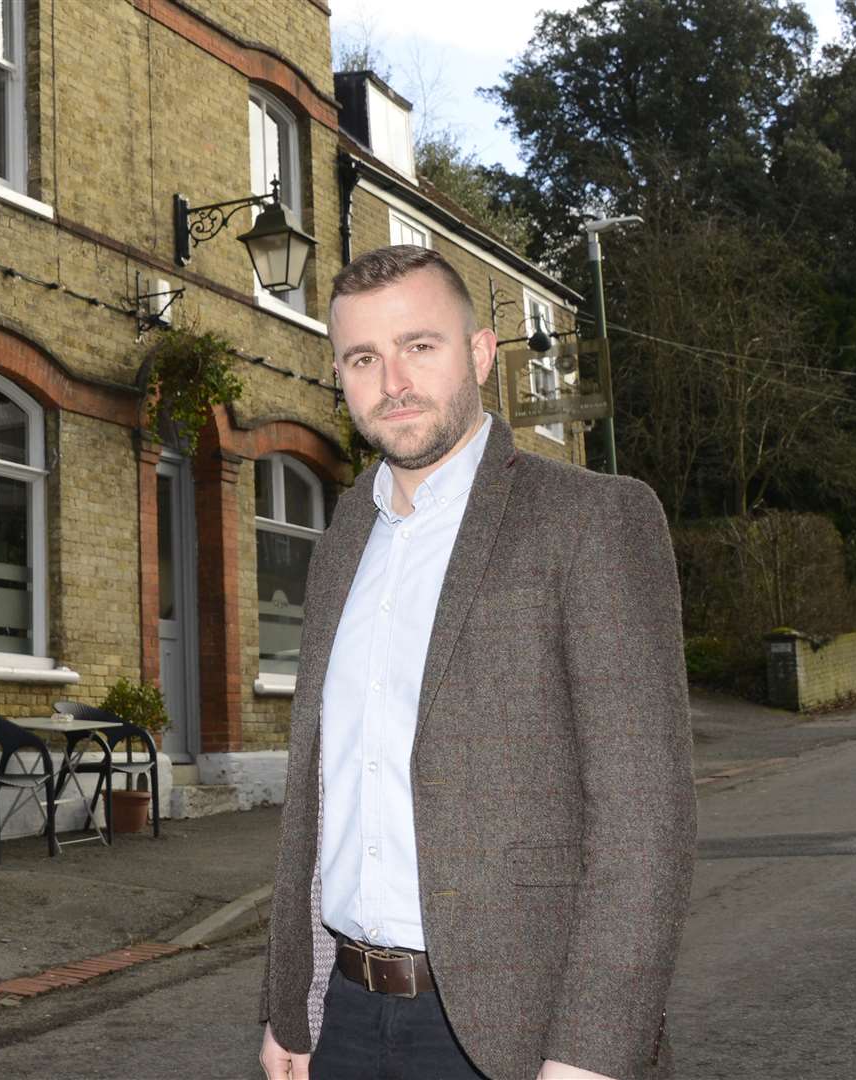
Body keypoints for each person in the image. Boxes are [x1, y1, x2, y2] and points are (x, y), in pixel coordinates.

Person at [258, 246, 695, 1080]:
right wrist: (291, 1006)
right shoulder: (340, 541)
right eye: (363, 358)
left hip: (520, 1036)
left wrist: (592, 1054)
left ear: (483, 354)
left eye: (420, 345)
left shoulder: (593, 521)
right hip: (344, 1018)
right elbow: (321, 799)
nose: (393, 380)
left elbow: (645, 821)